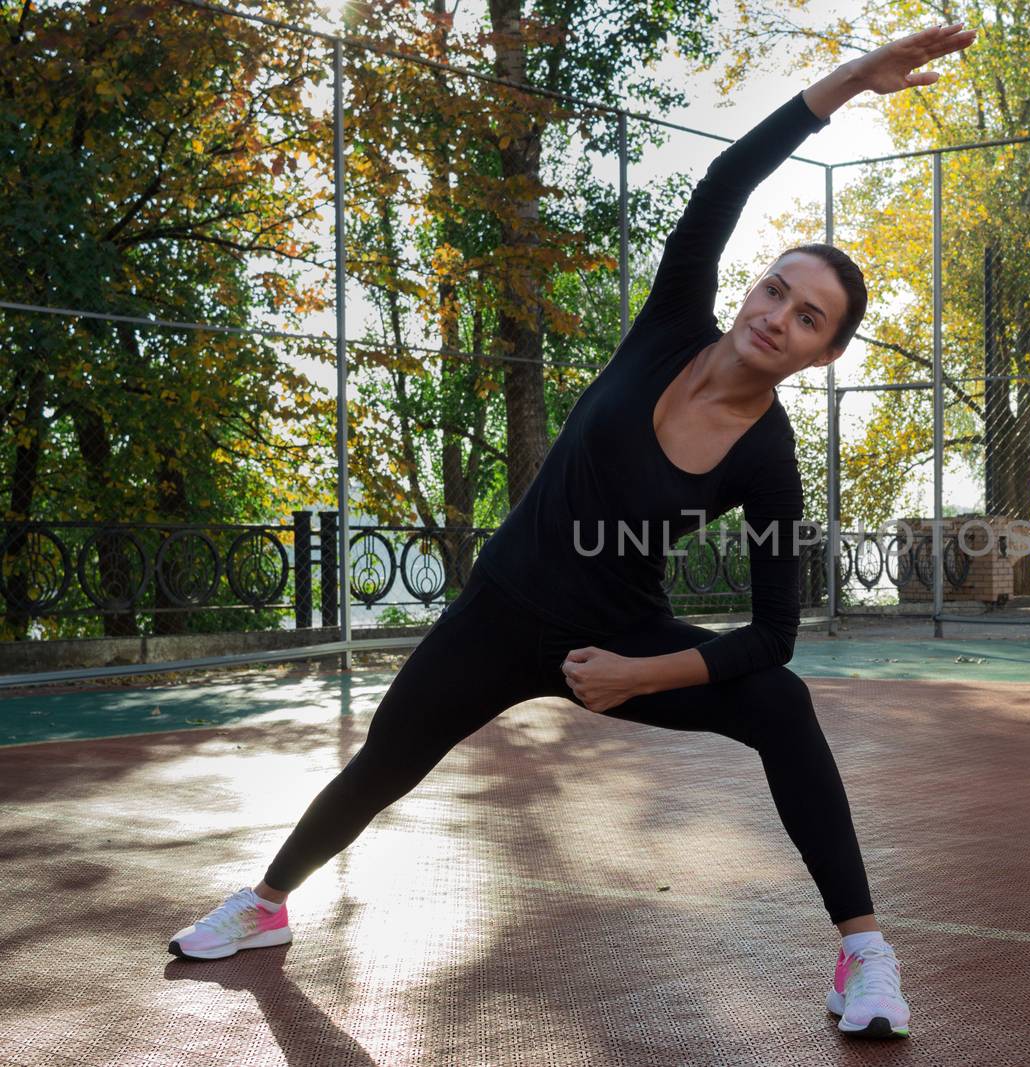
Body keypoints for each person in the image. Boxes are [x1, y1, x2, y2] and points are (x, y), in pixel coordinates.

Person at [168, 22, 978, 1040]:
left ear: (820, 355)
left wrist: (637, 677)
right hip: (501, 610)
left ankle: (863, 951)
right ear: (751, 288)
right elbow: (726, 176)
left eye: (809, 316)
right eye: (777, 287)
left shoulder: (770, 463)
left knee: (780, 698)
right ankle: (268, 900)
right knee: (386, 755)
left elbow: (772, 635)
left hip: (619, 638)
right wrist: (852, 81)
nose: (777, 313)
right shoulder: (672, 322)